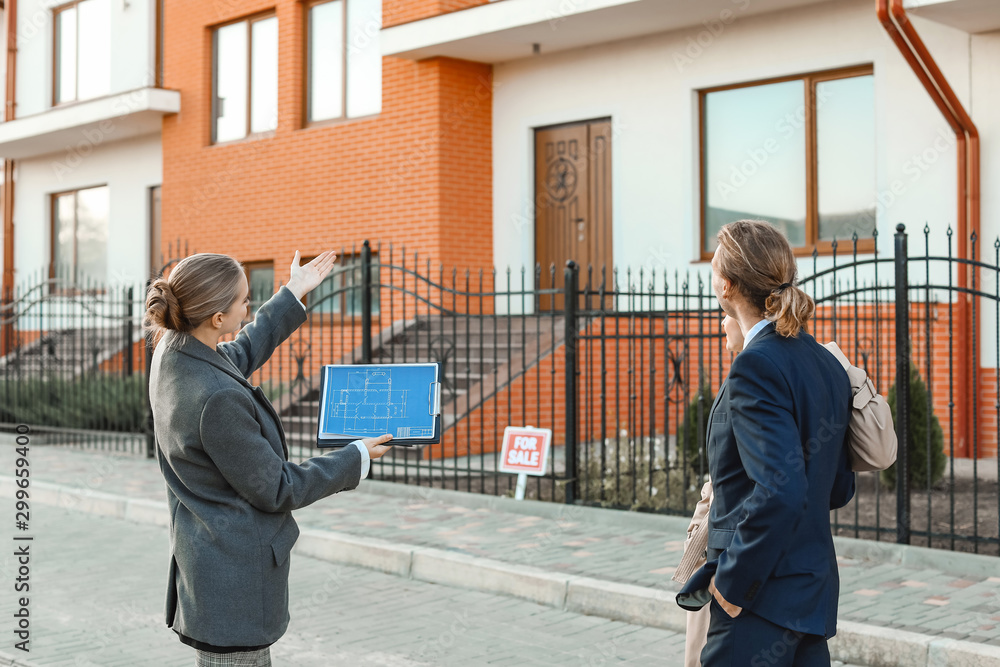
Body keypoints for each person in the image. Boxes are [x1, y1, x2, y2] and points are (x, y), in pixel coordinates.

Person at [144, 250, 394, 667]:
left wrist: (293, 293)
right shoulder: (217, 399)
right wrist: (355, 457)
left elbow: (238, 354)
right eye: (244, 300)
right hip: (234, 583)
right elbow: (278, 487)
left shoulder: (175, 352)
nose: (249, 306)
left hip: (209, 570)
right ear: (216, 319)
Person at [676, 220, 856, 667]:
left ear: (726, 284)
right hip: (810, 593)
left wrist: (732, 585)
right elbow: (837, 488)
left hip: (757, 602)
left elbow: (781, 489)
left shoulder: (755, 366)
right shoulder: (825, 361)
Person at [673, 315, 744, 667]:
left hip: (733, 562)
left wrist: (732, 584)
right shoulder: (744, 370)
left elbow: (777, 489)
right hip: (716, 547)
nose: (721, 321)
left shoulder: (754, 375)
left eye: (727, 313)